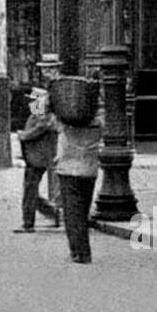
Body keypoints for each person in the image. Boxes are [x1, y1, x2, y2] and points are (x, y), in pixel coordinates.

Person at [56, 109, 102, 264]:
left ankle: (79, 252)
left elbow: (39, 112)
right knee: (83, 211)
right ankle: (83, 250)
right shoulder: (97, 123)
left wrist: (42, 98)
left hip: (68, 169)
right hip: (89, 169)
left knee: (71, 213)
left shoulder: (66, 122)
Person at [14, 87, 61, 233]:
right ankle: (51, 212)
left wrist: (25, 135)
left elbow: (43, 124)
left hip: (38, 151)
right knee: (30, 187)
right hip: (40, 151)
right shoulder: (43, 96)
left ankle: (28, 223)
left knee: (30, 187)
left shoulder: (42, 97)